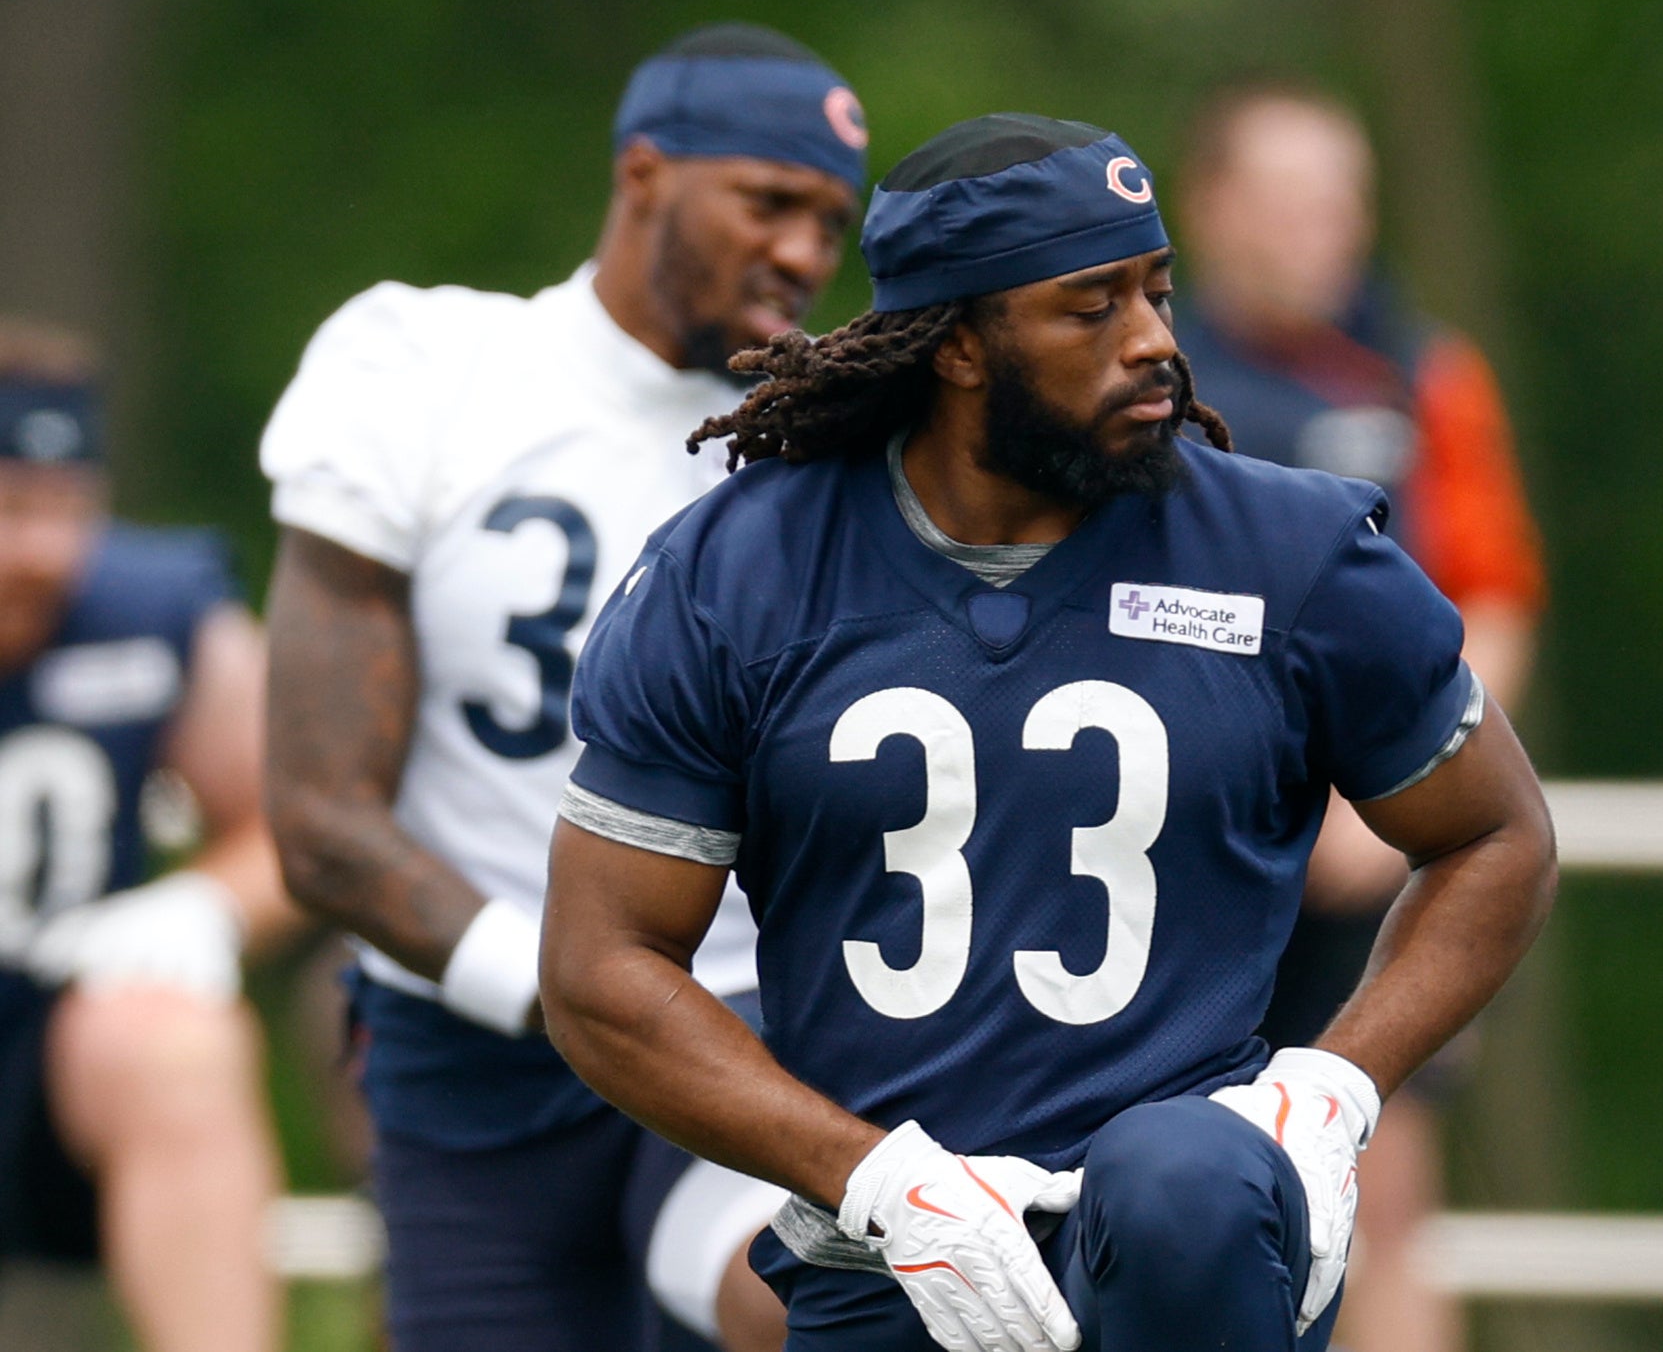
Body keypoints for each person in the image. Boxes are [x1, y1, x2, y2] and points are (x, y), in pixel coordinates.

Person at [537, 112, 1558, 1352]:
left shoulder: (1292, 553)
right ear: (957, 343)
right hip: (894, 1249)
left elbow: (1498, 834)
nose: (1155, 344)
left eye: (1159, 293)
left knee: (1182, 1174)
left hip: (1191, 1230)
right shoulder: (737, 574)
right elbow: (601, 969)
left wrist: (1333, 1088)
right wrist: (870, 1178)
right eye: (1093, 306)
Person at [260, 23, 866, 1352]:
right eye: (768, 201)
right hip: (474, 1024)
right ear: (642, 172)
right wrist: (590, 996)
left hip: (743, 1023)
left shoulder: (828, 452)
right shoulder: (419, 365)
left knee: (814, 1303)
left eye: (830, 223)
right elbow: (318, 818)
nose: (804, 255)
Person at [1172, 82, 1547, 1352]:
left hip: (1361, 871)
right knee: (1166, 1185)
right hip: (1179, 859)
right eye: (1291, 199)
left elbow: (1491, 600)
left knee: (1383, 1200)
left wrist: (1400, 796)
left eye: (1344, 199)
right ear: (1211, 207)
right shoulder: (1138, 374)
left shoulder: (1424, 370)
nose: (1325, 227)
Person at [0, 320, 290, 1352]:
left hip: (56, 1066)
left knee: (177, 1045)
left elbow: (296, 818)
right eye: (6, 505)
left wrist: (206, 901)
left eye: (64, 506)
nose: (38, 547)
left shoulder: (153, 608)